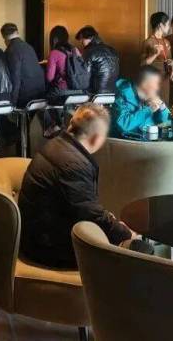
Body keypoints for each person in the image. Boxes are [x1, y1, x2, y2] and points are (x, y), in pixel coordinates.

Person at [19, 104, 133, 268]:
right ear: (96, 139)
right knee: (135, 250)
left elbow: (82, 206)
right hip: (48, 249)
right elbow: (90, 215)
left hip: (39, 236)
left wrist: (109, 221)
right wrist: (125, 233)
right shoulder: (74, 165)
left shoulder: (56, 144)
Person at [110, 65, 171, 138]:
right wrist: (149, 109)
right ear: (145, 84)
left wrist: (162, 107)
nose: (157, 88)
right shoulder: (122, 94)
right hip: (123, 140)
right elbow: (124, 126)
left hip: (145, 139)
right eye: (156, 83)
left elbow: (167, 124)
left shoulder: (147, 98)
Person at [45, 25, 84, 136]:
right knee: (63, 103)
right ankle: (66, 125)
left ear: (55, 39)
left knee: (45, 97)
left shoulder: (54, 53)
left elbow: (49, 78)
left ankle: (55, 126)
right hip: (80, 90)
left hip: (63, 90)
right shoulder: (75, 50)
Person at [1, 23, 45, 108]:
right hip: (40, 94)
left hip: (26, 98)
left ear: (4, 38)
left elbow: (15, 78)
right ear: (17, 32)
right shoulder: (28, 47)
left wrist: (12, 103)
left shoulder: (11, 51)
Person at [141, 12, 173, 105]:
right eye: (167, 24)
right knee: (153, 106)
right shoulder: (148, 42)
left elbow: (170, 60)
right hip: (153, 80)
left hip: (165, 79)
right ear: (160, 25)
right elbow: (143, 64)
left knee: (165, 106)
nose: (169, 27)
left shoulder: (167, 42)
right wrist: (155, 54)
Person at [75, 26, 119, 94]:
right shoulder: (112, 49)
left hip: (95, 92)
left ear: (90, 37)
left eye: (82, 39)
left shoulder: (89, 50)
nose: (81, 42)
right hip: (113, 92)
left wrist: (78, 58)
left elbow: (84, 76)